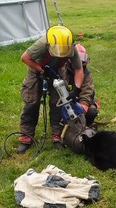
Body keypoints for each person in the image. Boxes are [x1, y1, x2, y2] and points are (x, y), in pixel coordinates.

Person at [17, 25, 84, 153]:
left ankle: (56, 135)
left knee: (58, 103)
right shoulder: (42, 44)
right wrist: (41, 70)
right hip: (37, 69)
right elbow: (25, 57)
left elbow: (78, 69)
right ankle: (26, 136)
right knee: (31, 102)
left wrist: (76, 89)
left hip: (58, 71)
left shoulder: (72, 47)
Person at [64, 43, 99, 127]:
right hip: (65, 102)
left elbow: (87, 92)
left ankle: (86, 125)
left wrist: (81, 110)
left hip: (80, 102)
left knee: (91, 111)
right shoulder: (63, 71)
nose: (81, 63)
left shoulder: (87, 74)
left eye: (83, 59)